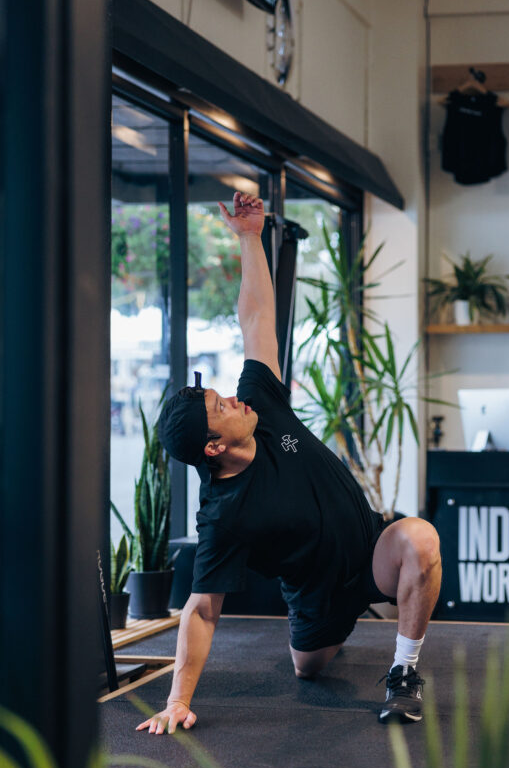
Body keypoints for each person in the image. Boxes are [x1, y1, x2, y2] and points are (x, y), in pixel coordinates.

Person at [137, 193, 442, 735]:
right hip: (318, 599)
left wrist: (250, 237)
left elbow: (257, 317)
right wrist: (177, 700)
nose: (234, 399)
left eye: (224, 396)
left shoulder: (262, 403)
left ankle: (403, 673)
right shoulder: (224, 513)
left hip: (374, 552)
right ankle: (322, 636)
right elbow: (202, 608)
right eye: (221, 408)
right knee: (308, 669)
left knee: (419, 537)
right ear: (213, 447)